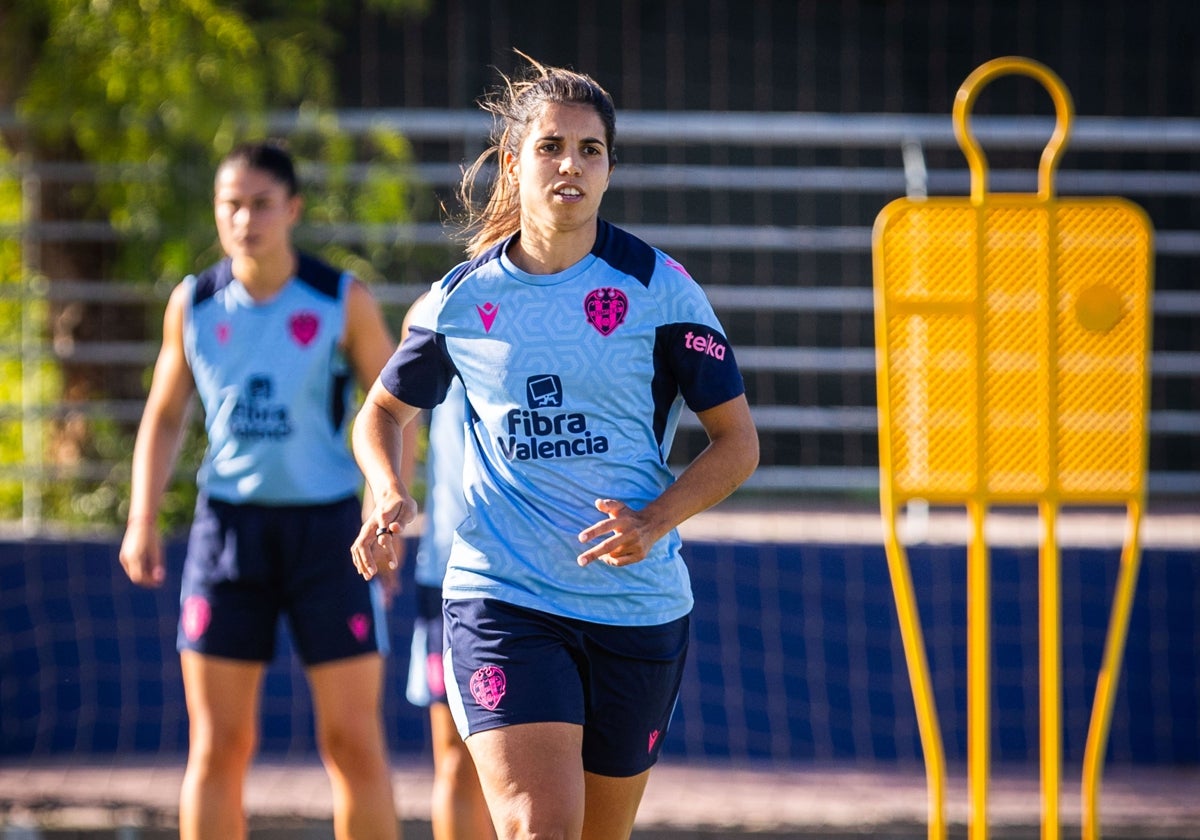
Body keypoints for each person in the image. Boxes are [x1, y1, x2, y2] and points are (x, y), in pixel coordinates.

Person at [350, 55, 759, 840]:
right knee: (539, 828)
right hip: (503, 595)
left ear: (609, 170)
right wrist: (386, 490)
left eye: (590, 149)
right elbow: (380, 414)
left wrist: (655, 519)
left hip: (635, 608)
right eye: (549, 146)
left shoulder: (660, 288)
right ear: (515, 161)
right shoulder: (462, 301)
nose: (570, 164)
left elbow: (737, 444)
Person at [118, 141, 400, 840]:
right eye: (231, 204)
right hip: (229, 534)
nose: (246, 219)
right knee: (217, 748)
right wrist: (141, 518)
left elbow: (394, 407)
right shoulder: (194, 302)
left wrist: (384, 510)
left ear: (292, 209)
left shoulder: (342, 300)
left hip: (330, 535)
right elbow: (164, 413)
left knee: (353, 743)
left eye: (261, 203)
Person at [397, 300, 495, 840]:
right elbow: (392, 410)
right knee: (458, 757)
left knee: (557, 765)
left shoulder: (580, 296)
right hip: (454, 570)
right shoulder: (444, 305)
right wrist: (385, 500)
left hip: (556, 574)